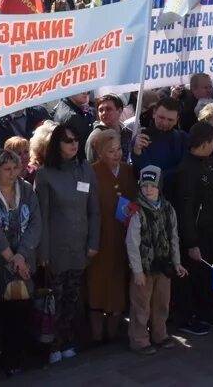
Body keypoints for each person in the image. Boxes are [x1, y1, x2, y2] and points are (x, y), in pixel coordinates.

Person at [34, 125, 100, 363]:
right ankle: (52, 346)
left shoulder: (85, 169)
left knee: (72, 298)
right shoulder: (44, 174)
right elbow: (41, 216)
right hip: (56, 248)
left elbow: (94, 210)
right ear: (56, 145)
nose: (74, 144)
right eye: (67, 141)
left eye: (76, 139)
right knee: (54, 300)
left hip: (80, 246)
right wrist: (43, 252)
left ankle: (68, 340)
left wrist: (93, 241)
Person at [0, 148, 41, 376]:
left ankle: (18, 357)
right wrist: (12, 259)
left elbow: (35, 223)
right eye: (7, 169)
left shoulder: (26, 188)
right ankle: (2, 361)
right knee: (1, 313)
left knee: (23, 311)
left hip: (25, 262)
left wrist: (22, 255)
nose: (13, 173)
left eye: (15, 168)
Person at [125, 166, 186, 355]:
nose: (148, 189)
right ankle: (139, 339)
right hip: (144, 267)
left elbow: (174, 236)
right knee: (141, 305)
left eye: (153, 185)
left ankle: (160, 333)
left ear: (160, 187)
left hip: (164, 265)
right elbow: (132, 243)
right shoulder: (136, 211)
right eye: (145, 186)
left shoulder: (168, 209)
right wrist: (137, 271)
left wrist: (177, 262)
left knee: (162, 302)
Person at [173, 121, 213, 336]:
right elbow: (185, 209)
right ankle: (188, 317)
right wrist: (191, 242)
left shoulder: (208, 162)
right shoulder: (186, 169)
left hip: (211, 228)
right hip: (195, 233)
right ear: (204, 143)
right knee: (190, 276)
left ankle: (205, 310)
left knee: (205, 273)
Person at [85, 128, 136, 344]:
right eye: (110, 151)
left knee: (117, 281)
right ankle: (96, 334)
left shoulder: (127, 170)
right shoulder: (91, 172)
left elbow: (134, 199)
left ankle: (114, 330)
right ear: (98, 153)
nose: (116, 155)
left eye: (118, 150)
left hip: (123, 236)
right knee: (97, 284)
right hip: (99, 237)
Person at [131, 100, 187, 178]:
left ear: (177, 119)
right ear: (154, 113)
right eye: (161, 117)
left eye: (170, 120)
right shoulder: (141, 138)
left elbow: (185, 168)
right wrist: (137, 153)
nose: (165, 123)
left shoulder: (182, 138)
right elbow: (138, 171)